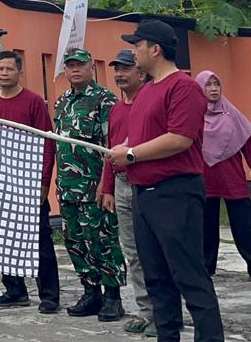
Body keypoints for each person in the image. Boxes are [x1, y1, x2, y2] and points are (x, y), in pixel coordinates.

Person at [108, 19, 223, 342]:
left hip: (176, 194)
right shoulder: (147, 91)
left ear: (155, 49)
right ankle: (167, 334)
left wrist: (131, 154)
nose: (134, 52)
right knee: (156, 276)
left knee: (189, 275)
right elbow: (143, 136)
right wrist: (124, 149)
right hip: (144, 194)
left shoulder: (183, 87)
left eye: (137, 46)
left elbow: (180, 139)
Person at [0, 51, 61, 313]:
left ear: (19, 72)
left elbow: (48, 143)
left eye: (9, 69)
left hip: (28, 183)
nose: (4, 73)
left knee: (40, 243)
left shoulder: (34, 102)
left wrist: (43, 182)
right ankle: (15, 290)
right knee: (3, 241)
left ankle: (49, 295)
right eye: (0, 69)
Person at [53, 48, 125, 320]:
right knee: (75, 242)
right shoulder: (62, 101)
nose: (74, 69)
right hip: (68, 187)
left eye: (79, 64)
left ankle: (112, 296)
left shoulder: (104, 100)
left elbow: (112, 145)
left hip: (94, 186)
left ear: (91, 66)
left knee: (102, 241)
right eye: (70, 65)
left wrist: (106, 185)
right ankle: (90, 291)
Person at [196, 70, 251, 283]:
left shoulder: (232, 114)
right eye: (208, 85)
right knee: (205, 228)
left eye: (216, 84)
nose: (213, 89)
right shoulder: (193, 115)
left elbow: (249, 149)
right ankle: (205, 269)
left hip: (232, 179)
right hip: (204, 179)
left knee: (245, 226)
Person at [99, 50, 155, 334]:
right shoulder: (116, 109)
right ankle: (145, 311)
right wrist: (106, 186)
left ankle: (166, 311)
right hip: (121, 185)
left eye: (126, 69)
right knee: (132, 252)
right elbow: (112, 151)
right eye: (116, 69)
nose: (120, 75)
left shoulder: (151, 104)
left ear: (141, 73)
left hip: (148, 183)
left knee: (155, 251)